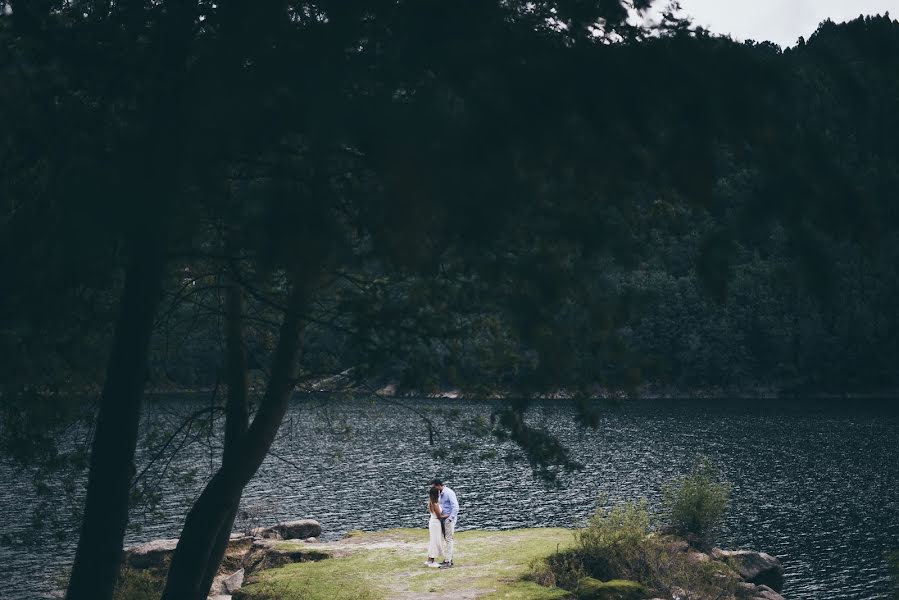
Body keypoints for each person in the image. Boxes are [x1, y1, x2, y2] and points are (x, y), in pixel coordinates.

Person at [430, 478, 459, 568]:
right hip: (442, 520)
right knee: (446, 539)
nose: (433, 489)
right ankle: (448, 559)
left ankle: (448, 562)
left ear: (438, 485)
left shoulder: (449, 493)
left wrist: (450, 519)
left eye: (434, 487)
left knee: (449, 540)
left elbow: (456, 507)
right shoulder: (439, 493)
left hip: (448, 520)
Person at [425, 487, 446, 567]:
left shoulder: (431, 502)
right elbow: (439, 516)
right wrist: (448, 515)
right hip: (436, 523)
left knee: (433, 541)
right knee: (435, 541)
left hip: (433, 522)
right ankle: (432, 560)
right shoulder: (435, 504)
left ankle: (429, 559)